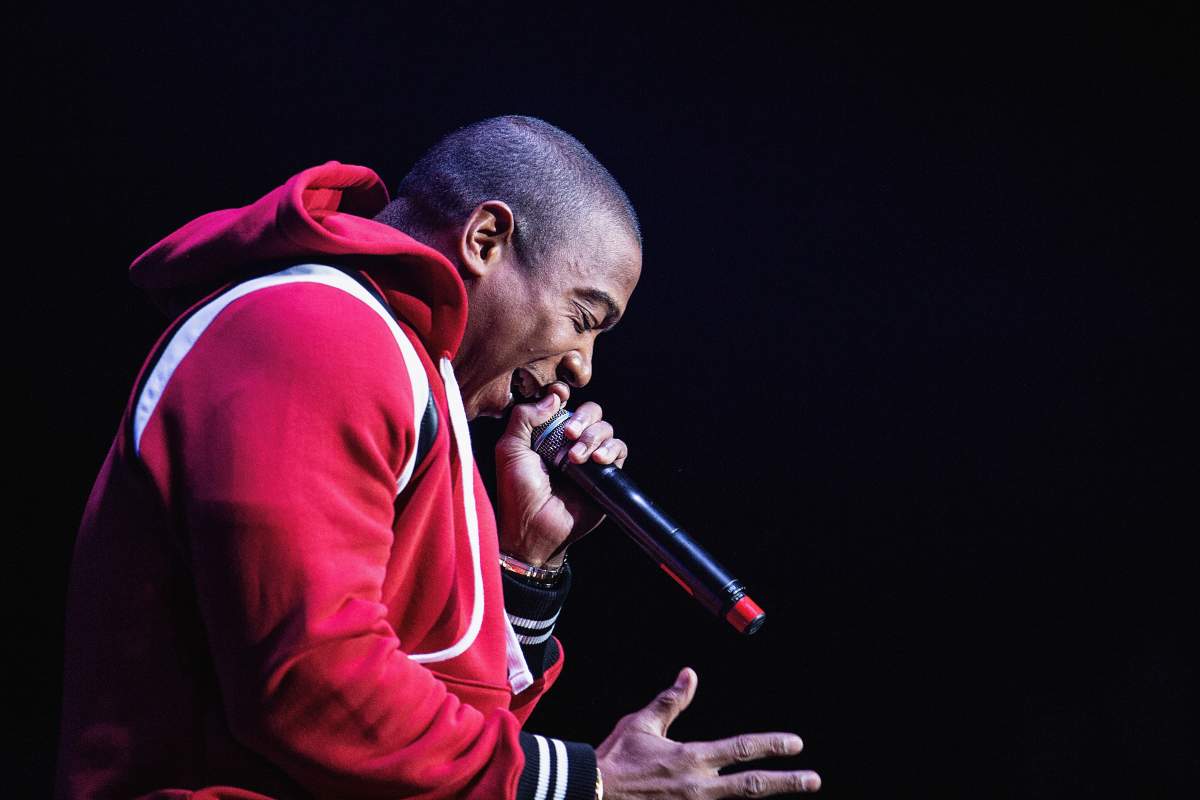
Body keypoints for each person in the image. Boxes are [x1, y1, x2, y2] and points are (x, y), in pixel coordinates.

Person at [56, 116, 821, 799]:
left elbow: (438, 732)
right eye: (585, 317)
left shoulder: (412, 379)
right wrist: (581, 780)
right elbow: (308, 687)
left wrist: (522, 564)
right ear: (485, 239)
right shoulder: (315, 332)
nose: (583, 366)